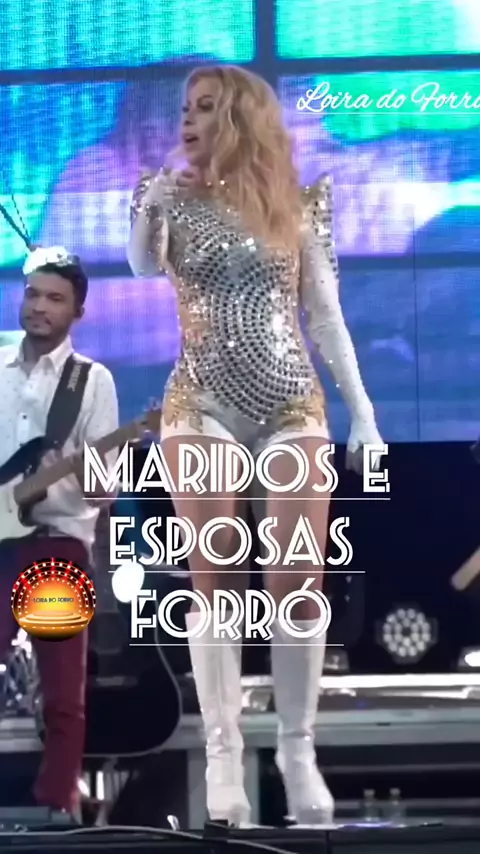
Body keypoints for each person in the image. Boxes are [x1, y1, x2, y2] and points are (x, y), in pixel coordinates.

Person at [127, 65, 383, 827]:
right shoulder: (168, 197)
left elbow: (325, 316)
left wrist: (364, 415)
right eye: (185, 108)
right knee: (217, 578)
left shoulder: (297, 204)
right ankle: (222, 754)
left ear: (241, 117)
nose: (187, 119)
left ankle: (298, 750)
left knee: (297, 578)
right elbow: (142, 264)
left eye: (205, 107)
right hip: (199, 400)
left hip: (290, 398)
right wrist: (151, 205)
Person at [0, 246, 119, 817]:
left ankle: (58, 804)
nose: (39, 307)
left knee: (63, 692)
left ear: (77, 312)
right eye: (33, 295)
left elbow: (100, 492)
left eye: (55, 298)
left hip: (56, 548)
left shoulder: (90, 381)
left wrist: (89, 465)